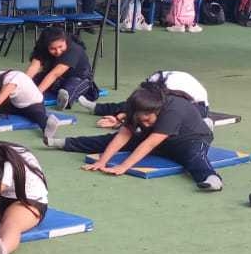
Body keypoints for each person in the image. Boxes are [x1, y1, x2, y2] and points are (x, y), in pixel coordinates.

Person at [48, 84, 224, 191]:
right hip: (160, 140)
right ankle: (64, 143)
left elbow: (150, 144)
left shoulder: (173, 109)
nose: (144, 123)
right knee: (109, 139)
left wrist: (123, 166)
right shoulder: (136, 110)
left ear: (157, 111)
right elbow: (123, 135)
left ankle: (211, 179)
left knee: (193, 156)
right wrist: (102, 161)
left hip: (189, 138)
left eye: (147, 120)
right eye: (141, 120)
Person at [83, 70, 208, 125]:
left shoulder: (172, 95)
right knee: (134, 104)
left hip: (198, 108)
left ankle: (205, 123)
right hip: (173, 96)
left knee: (165, 120)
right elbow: (137, 103)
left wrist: (122, 120)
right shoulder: (155, 81)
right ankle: (96, 108)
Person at [25, 26, 98, 111]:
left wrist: (36, 94)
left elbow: (54, 74)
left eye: (60, 47)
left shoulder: (74, 49)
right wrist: (22, 83)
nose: (58, 51)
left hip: (79, 78)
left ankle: (64, 100)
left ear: (65, 41)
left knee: (70, 88)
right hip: (58, 79)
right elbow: (34, 67)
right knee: (33, 80)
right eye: (52, 49)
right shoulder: (42, 46)